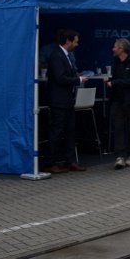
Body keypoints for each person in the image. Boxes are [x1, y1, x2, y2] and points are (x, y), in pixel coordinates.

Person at [46, 29, 88, 173]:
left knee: (70, 131)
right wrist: (78, 79)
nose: (77, 44)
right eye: (75, 41)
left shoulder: (67, 56)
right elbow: (60, 78)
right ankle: (51, 162)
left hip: (68, 100)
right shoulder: (56, 56)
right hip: (58, 101)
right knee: (57, 131)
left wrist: (76, 76)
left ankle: (70, 160)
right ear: (68, 41)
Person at [106, 38, 130, 169]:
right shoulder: (116, 61)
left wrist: (115, 83)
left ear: (122, 49)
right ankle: (120, 156)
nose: (113, 49)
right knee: (118, 127)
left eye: (115, 47)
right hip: (117, 99)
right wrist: (110, 80)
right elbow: (116, 77)